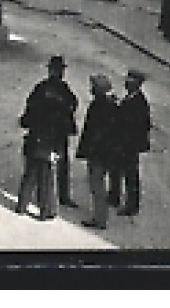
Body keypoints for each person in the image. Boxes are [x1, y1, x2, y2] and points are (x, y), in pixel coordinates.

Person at [16, 55, 80, 218]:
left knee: (32, 171)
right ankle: (50, 205)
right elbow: (73, 104)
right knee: (49, 172)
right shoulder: (62, 89)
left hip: (37, 135)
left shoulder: (41, 88)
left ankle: (23, 205)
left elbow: (29, 110)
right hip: (56, 136)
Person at [74, 73, 120, 228]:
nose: (90, 89)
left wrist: (90, 150)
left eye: (93, 86)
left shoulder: (100, 105)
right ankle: (100, 217)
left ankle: (99, 219)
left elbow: (96, 132)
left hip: (98, 153)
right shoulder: (110, 104)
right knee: (97, 184)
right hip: (105, 153)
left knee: (96, 184)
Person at [110, 69, 152, 216]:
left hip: (129, 145)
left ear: (138, 84)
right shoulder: (130, 98)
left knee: (130, 175)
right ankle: (114, 197)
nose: (127, 83)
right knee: (116, 170)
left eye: (131, 81)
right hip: (123, 143)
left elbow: (139, 124)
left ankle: (131, 205)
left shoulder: (139, 103)